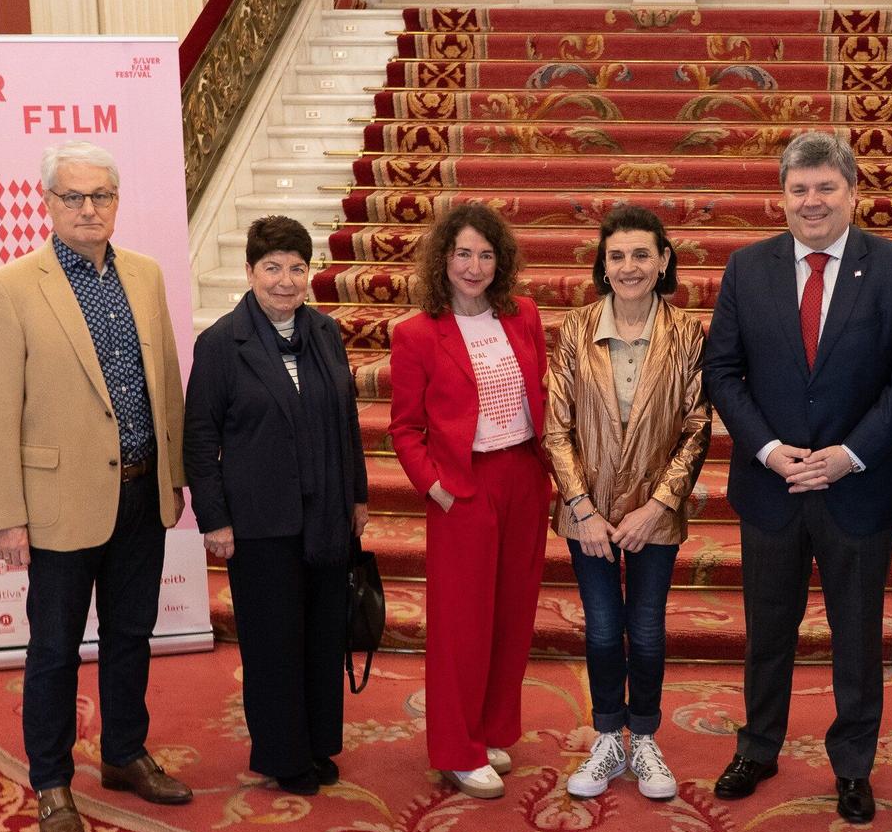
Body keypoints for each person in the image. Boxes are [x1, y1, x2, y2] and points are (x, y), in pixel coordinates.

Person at [702, 130, 892, 824]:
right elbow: (722, 370)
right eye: (799, 189)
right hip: (771, 483)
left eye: (825, 188)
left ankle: (852, 765)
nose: (812, 201)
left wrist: (849, 454)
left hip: (857, 485)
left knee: (857, 634)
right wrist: (771, 449)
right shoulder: (748, 268)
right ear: (782, 198)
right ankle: (759, 746)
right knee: (766, 629)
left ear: (852, 194)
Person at [0, 139, 193, 832]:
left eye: (101, 196)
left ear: (117, 203)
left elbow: (167, 386)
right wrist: (6, 515)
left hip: (139, 494)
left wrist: (174, 475)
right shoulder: (12, 287)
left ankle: (124, 753)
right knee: (55, 648)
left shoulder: (148, 277)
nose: (89, 208)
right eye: (74, 197)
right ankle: (53, 781)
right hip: (58, 505)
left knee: (132, 635)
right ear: (48, 204)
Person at [183, 216, 368, 795]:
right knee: (273, 642)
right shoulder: (220, 343)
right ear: (250, 273)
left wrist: (357, 496)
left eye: (296, 267)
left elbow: (347, 422)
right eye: (273, 268)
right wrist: (214, 519)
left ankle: (316, 743)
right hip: (260, 523)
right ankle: (283, 755)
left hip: (327, 514)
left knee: (320, 634)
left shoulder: (325, 332)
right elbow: (199, 438)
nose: (286, 281)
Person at [543, 206, 711, 801]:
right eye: (617, 255)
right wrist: (583, 510)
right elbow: (556, 428)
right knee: (601, 627)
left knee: (645, 627)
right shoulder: (574, 329)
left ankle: (644, 738)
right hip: (586, 514)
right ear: (603, 263)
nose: (630, 266)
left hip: (654, 515)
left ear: (663, 260)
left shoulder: (688, 333)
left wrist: (659, 506)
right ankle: (607, 735)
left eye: (642, 254)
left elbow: (697, 426)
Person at [388, 203, 551, 800]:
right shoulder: (416, 334)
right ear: (443, 260)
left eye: (485, 254)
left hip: (523, 479)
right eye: (463, 254)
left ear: (499, 261)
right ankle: (456, 749)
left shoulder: (523, 316)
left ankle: (489, 729)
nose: (474, 266)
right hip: (463, 487)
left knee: (512, 611)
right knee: (462, 623)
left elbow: (542, 395)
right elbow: (403, 427)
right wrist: (436, 486)